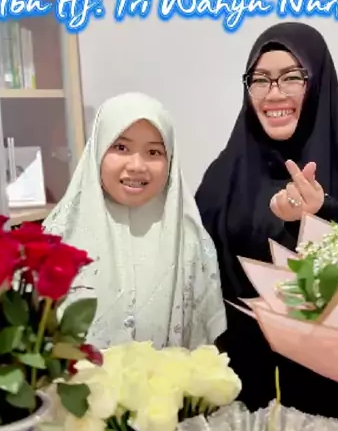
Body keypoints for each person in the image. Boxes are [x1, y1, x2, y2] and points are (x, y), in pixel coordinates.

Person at [195, 22, 338, 421]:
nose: (274, 93)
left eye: (291, 77)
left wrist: (322, 211)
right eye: (260, 80)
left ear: (318, 81)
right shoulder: (225, 174)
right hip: (246, 381)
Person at [44, 92, 226, 350]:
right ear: (97, 149)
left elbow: (202, 346)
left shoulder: (190, 240)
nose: (137, 165)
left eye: (153, 151)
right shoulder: (58, 236)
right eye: (121, 148)